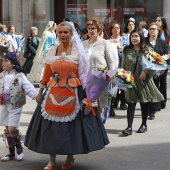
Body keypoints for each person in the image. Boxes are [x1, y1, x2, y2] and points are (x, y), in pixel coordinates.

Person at [24, 21, 109, 170]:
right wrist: (40, 92)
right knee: (50, 127)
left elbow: (84, 74)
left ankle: (70, 157)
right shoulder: (52, 51)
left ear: (71, 34)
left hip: (74, 92)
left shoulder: (79, 51)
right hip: (53, 92)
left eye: (66, 32)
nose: (63, 35)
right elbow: (47, 72)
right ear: (56, 33)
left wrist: (89, 94)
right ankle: (51, 160)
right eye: (60, 32)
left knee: (72, 127)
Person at [121, 30, 164, 136]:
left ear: (141, 38)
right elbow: (123, 64)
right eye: (132, 36)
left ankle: (144, 124)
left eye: (136, 36)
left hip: (143, 81)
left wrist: (146, 72)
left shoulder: (147, 50)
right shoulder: (127, 50)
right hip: (131, 80)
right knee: (131, 103)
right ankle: (129, 127)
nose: (134, 38)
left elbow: (154, 65)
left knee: (144, 103)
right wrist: (123, 76)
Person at [0, 52, 38, 161]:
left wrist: (36, 96)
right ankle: (11, 152)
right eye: (3, 60)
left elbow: (28, 87)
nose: (3, 62)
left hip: (16, 105)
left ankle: (19, 148)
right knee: (7, 129)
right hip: (4, 105)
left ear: (13, 63)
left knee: (12, 128)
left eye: (6, 60)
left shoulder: (19, 76)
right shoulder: (2, 75)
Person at [82, 18, 116, 115]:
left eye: (93, 28)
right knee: (87, 103)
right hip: (86, 80)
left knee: (100, 105)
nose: (90, 31)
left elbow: (111, 62)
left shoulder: (105, 43)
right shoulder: (83, 44)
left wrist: (111, 78)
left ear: (99, 30)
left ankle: (99, 126)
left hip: (101, 80)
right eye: (89, 29)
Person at [146, 22, 168, 119]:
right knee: (147, 90)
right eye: (150, 29)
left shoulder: (162, 43)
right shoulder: (145, 42)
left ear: (158, 31)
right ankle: (147, 108)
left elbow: (167, 57)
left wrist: (163, 70)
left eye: (154, 29)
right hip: (146, 70)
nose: (152, 31)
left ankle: (152, 111)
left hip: (158, 71)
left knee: (155, 89)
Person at [110, 22, 127, 111]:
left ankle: (123, 102)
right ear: (111, 29)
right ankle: (114, 101)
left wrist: (120, 48)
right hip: (112, 64)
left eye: (118, 27)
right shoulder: (109, 40)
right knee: (113, 82)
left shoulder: (124, 39)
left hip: (122, 62)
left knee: (123, 81)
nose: (116, 29)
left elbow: (127, 49)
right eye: (114, 27)